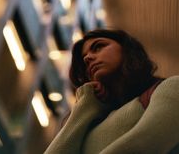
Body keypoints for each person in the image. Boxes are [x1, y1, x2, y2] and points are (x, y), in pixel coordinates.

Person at [44, 29, 179, 154]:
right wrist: (85, 107)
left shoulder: (170, 86)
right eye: (85, 62)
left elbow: (143, 144)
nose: (87, 58)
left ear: (127, 50)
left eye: (98, 47)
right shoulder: (90, 122)